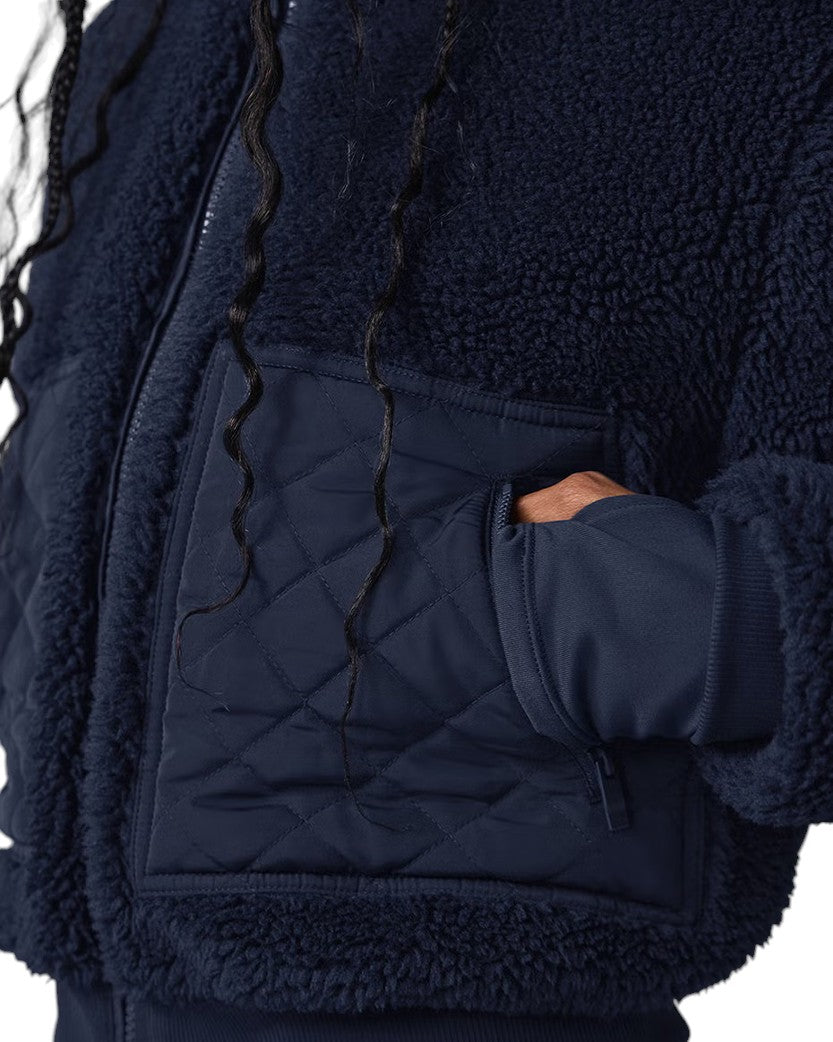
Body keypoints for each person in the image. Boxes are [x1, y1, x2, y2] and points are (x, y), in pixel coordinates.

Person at [0, 1, 831, 1039]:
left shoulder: (762, 33)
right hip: (99, 1003)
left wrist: (614, 614)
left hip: (484, 988)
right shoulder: (157, 29)